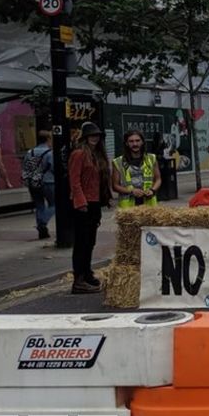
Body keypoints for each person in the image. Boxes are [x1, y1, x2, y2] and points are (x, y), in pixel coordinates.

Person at [68, 122, 112, 294]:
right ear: (85, 137)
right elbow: (74, 180)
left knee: (90, 242)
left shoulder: (97, 155)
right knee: (81, 243)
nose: (95, 138)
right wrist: (81, 202)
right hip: (83, 204)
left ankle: (86, 273)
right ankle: (78, 279)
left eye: (97, 135)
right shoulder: (79, 154)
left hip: (94, 202)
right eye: (91, 135)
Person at [112, 131, 161, 208]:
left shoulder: (152, 158)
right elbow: (115, 186)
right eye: (131, 141)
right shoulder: (118, 162)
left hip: (149, 206)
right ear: (126, 143)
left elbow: (158, 179)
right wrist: (131, 191)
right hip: (128, 208)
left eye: (137, 141)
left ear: (142, 142)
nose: (135, 144)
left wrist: (152, 190)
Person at [23, 130, 55, 239]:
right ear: (48, 139)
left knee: (39, 205)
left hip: (33, 181)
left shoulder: (30, 152)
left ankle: (42, 229)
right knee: (54, 204)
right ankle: (43, 223)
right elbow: (54, 168)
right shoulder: (50, 153)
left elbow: (26, 167)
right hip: (48, 181)